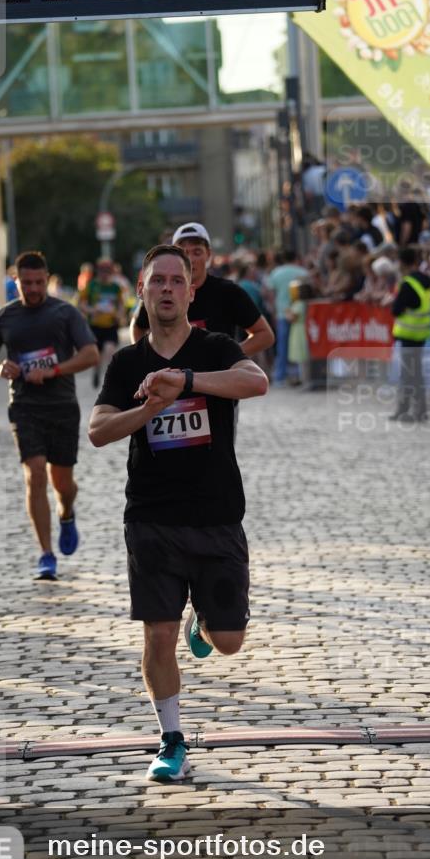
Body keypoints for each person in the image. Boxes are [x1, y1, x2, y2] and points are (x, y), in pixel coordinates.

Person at [89, 244, 268, 782]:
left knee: (230, 643)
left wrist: (186, 381)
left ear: (191, 291)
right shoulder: (127, 363)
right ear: (141, 293)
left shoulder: (213, 346)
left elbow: (255, 382)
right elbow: (97, 431)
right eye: (156, 281)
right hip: (151, 518)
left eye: (176, 281)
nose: (166, 289)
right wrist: (149, 407)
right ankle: (171, 740)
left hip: (216, 516)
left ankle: (207, 619)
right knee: (156, 637)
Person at [0, 250, 99, 580]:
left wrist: (54, 370)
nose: (32, 289)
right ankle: (46, 554)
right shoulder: (4, 317)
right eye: (25, 283)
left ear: (46, 280)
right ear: (15, 281)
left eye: (38, 282)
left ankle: (66, 512)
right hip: (24, 405)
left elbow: (90, 354)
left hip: (61, 405)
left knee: (62, 483)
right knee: (34, 473)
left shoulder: (65, 313)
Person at [129, 223, 274, 360]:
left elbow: (265, 335)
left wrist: (228, 356)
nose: (190, 259)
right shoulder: (161, 291)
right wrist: (148, 358)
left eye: (197, 252)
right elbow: (137, 326)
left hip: (216, 382)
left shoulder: (228, 292)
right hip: (171, 381)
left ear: (208, 254)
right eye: (184, 252)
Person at [389, 246, 430, 422]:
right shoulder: (425, 280)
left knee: (409, 374)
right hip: (421, 334)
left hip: (409, 334)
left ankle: (410, 409)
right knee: (414, 373)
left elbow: (396, 310)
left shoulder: (408, 284)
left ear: (402, 263)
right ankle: (414, 409)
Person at [79, 258, 126, 388]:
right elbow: (81, 304)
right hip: (94, 326)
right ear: (98, 271)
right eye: (102, 271)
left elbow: (121, 305)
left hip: (110, 326)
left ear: (111, 272)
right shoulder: (91, 286)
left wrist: (120, 315)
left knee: (109, 350)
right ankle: (96, 371)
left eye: (107, 271)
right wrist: (92, 310)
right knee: (97, 356)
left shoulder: (116, 288)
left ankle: (108, 376)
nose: (105, 274)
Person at [266, 249, 309, 384]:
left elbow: (271, 294)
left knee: (282, 346)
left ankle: (280, 376)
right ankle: (300, 373)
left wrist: (273, 311)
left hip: (282, 312)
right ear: (296, 258)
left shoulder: (276, 273)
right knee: (300, 344)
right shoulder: (303, 272)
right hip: (301, 311)